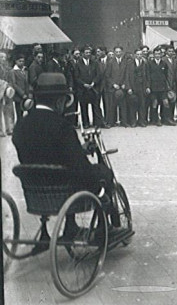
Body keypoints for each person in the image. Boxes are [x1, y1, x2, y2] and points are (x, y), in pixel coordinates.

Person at [12, 72, 122, 250]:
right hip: (66, 188)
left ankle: (70, 227)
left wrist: (77, 150)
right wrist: (96, 177)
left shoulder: (20, 126)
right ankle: (105, 225)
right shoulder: (62, 126)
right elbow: (79, 166)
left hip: (35, 188)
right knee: (103, 172)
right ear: (60, 101)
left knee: (66, 170)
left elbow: (42, 152)